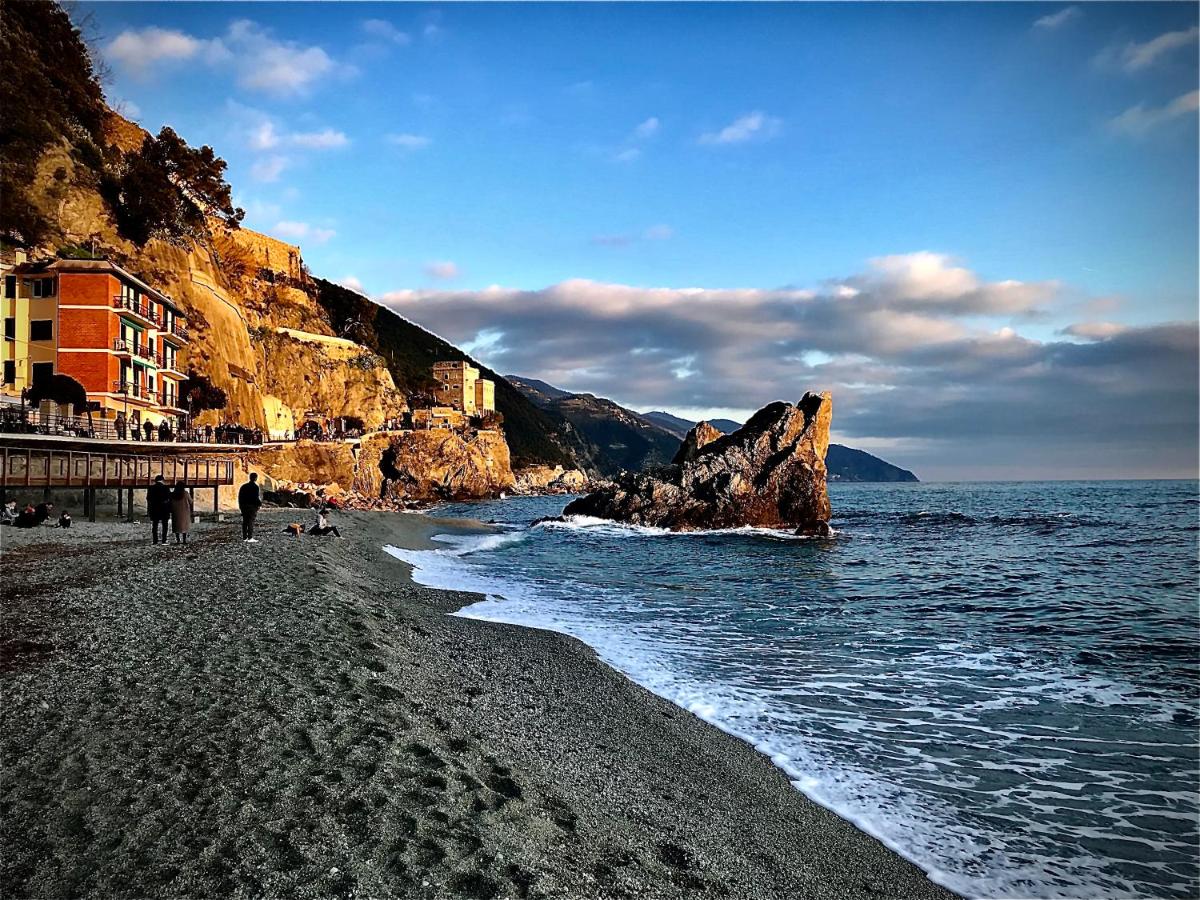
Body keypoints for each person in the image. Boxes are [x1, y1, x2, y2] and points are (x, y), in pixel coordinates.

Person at [147, 475, 172, 545]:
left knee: (155, 525)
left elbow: (148, 499)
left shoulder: (151, 488)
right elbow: (169, 498)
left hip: (154, 509)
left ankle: (155, 540)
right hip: (164, 509)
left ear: (155, 481)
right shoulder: (166, 488)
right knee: (165, 525)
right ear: (162, 480)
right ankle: (164, 540)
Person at [238, 472, 262, 542]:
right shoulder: (255, 487)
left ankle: (244, 538)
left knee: (245, 522)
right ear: (256, 478)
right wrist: (259, 505)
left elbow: (240, 497)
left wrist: (240, 506)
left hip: (244, 506)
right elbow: (256, 497)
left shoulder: (243, 486)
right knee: (251, 522)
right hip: (252, 507)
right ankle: (250, 537)